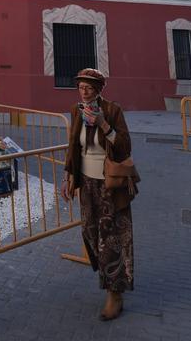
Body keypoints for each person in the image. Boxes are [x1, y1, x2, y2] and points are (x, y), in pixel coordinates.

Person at [62, 68, 135, 321]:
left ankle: (115, 293)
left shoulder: (112, 110)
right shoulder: (77, 111)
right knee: (91, 233)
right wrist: (68, 176)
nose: (84, 92)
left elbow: (124, 146)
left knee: (111, 239)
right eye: (80, 87)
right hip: (87, 183)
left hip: (110, 185)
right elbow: (73, 146)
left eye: (89, 88)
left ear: (99, 90)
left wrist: (103, 124)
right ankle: (109, 275)